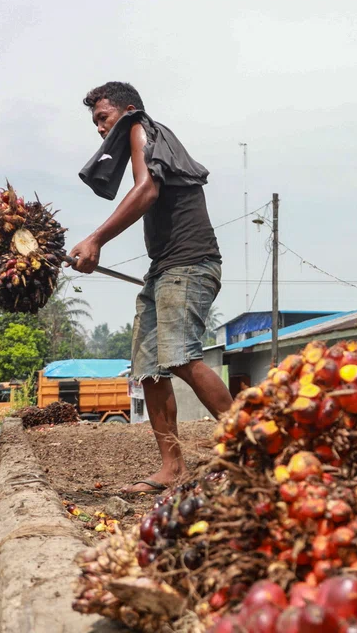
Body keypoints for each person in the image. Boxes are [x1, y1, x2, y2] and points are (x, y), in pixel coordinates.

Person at [72, 81, 234, 493]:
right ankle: (172, 468)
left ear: (126, 111)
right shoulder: (144, 137)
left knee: (179, 355)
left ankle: (253, 444)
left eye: (102, 118)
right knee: (148, 368)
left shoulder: (143, 129)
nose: (98, 128)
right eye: (94, 122)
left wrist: (95, 240)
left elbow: (146, 192)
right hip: (163, 269)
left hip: (190, 264)